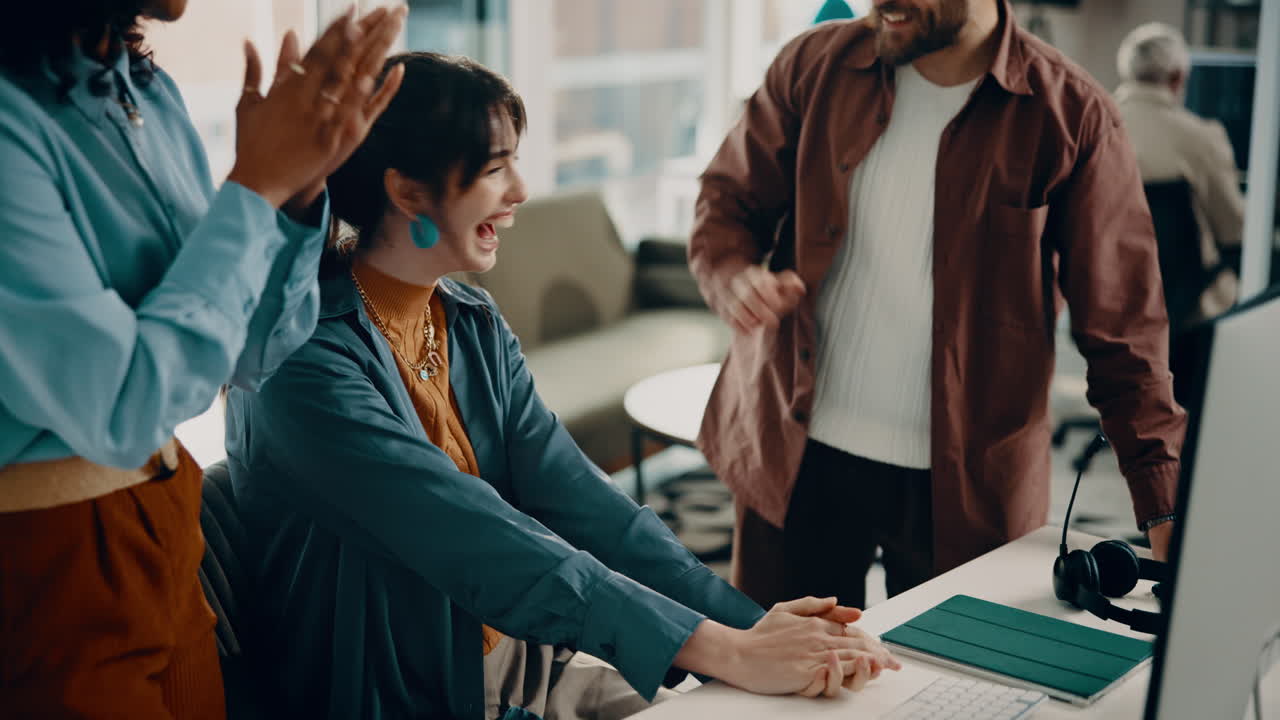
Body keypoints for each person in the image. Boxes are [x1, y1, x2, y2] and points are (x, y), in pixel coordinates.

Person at [224, 52, 898, 720]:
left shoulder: (467, 320)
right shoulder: (298, 363)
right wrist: (726, 651)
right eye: (495, 170)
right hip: (403, 694)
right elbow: (484, 543)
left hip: (519, 661)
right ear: (406, 193)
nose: (520, 191)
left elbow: (584, 504)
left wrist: (751, 630)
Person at [689, 0, 1187, 612]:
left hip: (969, 486)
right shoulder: (811, 65)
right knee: (779, 695)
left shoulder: (1073, 116)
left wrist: (1164, 508)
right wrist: (732, 273)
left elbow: (1126, 336)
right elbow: (726, 202)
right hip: (796, 459)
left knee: (946, 696)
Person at [0, 2, 405, 717]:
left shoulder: (145, 91)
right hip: (48, 565)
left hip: (167, 520)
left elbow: (246, 350)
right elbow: (123, 406)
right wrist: (255, 187)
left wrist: (298, 189)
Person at [1115, 21, 1245, 323]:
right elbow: (1233, 230)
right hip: (1181, 308)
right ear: (1177, 78)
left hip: (1102, 298)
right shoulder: (1200, 137)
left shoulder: (1087, 130)